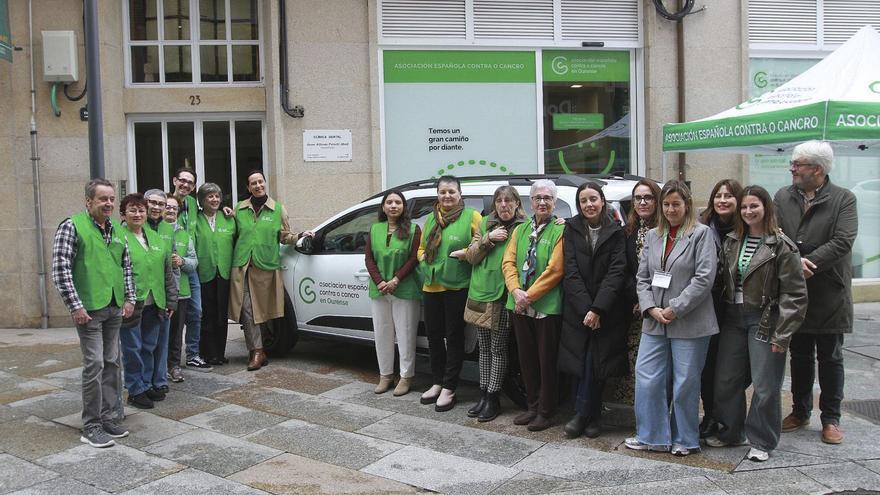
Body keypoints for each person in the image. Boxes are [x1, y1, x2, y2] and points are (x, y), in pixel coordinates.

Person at [707, 185, 807, 462]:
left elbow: (795, 295)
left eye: (754, 206)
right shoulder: (731, 241)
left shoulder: (782, 246)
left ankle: (762, 440)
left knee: (765, 385)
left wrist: (782, 334)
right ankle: (730, 432)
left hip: (765, 321)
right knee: (726, 381)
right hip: (732, 318)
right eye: (745, 207)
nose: (749, 211)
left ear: (766, 208)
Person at [625, 180, 718, 456]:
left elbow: (704, 278)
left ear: (686, 205)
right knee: (647, 378)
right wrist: (650, 308)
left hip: (690, 321)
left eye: (676, 204)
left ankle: (685, 439)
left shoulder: (701, 235)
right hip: (654, 320)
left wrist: (675, 308)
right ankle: (650, 436)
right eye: (666, 204)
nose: (670, 209)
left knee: (685, 382)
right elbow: (642, 278)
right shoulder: (654, 235)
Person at [775, 140, 858, 445]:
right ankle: (800, 410)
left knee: (830, 357)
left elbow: (843, 240)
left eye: (798, 164)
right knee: (798, 355)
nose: (792, 168)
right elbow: (776, 234)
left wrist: (811, 261)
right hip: (795, 292)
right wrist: (795, 263)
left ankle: (831, 418)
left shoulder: (844, 199)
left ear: (817, 169)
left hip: (829, 292)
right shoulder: (783, 196)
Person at [51, 179, 136, 448]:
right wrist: (75, 305)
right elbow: (60, 269)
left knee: (112, 361)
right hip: (88, 309)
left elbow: (126, 266)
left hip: (113, 306)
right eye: (103, 199)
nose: (109, 204)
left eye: (111, 199)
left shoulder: (117, 231)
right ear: (88, 201)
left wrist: (130, 297)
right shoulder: (72, 226)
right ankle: (91, 425)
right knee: (95, 364)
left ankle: (109, 417)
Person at [559, 182, 628, 439]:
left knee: (596, 362)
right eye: (584, 200)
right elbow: (571, 270)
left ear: (602, 201)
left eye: (593, 199)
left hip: (606, 311)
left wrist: (598, 309)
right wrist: (586, 309)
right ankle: (591, 415)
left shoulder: (616, 232)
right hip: (578, 310)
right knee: (582, 360)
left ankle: (584, 414)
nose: (589, 204)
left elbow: (617, 272)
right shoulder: (571, 229)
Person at [501, 179, 565, 432]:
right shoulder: (520, 229)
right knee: (526, 359)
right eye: (538, 198)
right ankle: (532, 406)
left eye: (547, 198)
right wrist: (516, 291)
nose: (542, 202)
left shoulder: (561, 230)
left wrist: (529, 296)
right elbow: (508, 262)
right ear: (530, 202)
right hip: (518, 304)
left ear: (554, 202)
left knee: (546, 360)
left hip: (546, 307)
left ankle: (546, 411)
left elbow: (556, 270)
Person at [229, 170, 308, 371]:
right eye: (253, 183)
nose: (258, 186)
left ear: (265, 183)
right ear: (248, 188)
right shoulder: (240, 209)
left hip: (265, 267)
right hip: (243, 266)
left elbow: (284, 236)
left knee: (261, 312)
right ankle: (256, 350)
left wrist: (300, 235)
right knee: (246, 309)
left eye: (260, 181)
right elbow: (233, 234)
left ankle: (261, 349)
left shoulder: (277, 209)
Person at [418, 176, 482, 412]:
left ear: (460, 194)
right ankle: (436, 381)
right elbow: (422, 248)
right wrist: (422, 260)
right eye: (443, 192)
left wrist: (464, 253)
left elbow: (482, 245)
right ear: (437, 194)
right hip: (431, 285)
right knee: (434, 337)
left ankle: (449, 387)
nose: (447, 196)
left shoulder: (472, 216)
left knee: (454, 337)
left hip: (457, 286)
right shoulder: (430, 219)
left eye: (452, 192)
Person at [463, 185, 526, 422]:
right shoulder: (485, 225)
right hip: (480, 292)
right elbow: (471, 256)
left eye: (509, 201)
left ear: (517, 204)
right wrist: (488, 238)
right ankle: (483, 394)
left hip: (503, 295)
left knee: (498, 349)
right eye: (499, 201)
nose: (504, 205)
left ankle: (493, 397)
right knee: (484, 348)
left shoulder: (523, 227)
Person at [118, 193, 178, 409]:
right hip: (132, 303)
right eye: (132, 210)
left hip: (156, 302)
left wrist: (172, 300)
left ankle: (146, 383)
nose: (138, 214)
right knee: (132, 347)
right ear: (123, 214)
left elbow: (167, 271)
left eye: (141, 210)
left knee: (149, 346)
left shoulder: (153, 237)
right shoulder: (118, 237)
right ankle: (135, 389)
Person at [697, 178, 743, 439]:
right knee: (709, 366)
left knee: (732, 370)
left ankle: (730, 418)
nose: (722, 200)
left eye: (728, 196)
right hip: (709, 305)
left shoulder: (748, 228)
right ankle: (711, 416)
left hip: (737, 308)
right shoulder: (703, 227)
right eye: (718, 195)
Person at [365, 190, 422, 396]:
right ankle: (385, 375)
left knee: (406, 334)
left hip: (404, 288)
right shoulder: (374, 229)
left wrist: (396, 279)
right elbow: (369, 259)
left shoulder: (414, 230)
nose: (393, 205)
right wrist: (380, 281)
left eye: (398, 202)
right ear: (383, 207)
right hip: (379, 290)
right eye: (389, 202)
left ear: (403, 207)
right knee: (382, 333)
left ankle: (406, 376)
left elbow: (414, 258)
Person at [614, 179, 662, 405]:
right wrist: (637, 298)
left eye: (648, 197)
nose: (642, 202)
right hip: (634, 310)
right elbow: (621, 269)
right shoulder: (627, 232)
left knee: (658, 369)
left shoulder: (666, 229)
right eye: (638, 198)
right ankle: (639, 417)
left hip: (662, 307)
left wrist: (649, 300)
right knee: (637, 364)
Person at [172, 168, 212, 371]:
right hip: (171, 268)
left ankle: (193, 355)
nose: (185, 185)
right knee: (173, 318)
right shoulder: (165, 203)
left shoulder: (192, 204)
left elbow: (209, 210)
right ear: (174, 181)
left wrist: (224, 209)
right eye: (182, 181)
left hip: (190, 265)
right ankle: (171, 360)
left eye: (190, 183)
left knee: (196, 312)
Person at [194, 183, 236, 366]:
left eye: (217, 196)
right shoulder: (195, 220)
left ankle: (220, 353)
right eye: (210, 196)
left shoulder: (228, 218)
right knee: (207, 315)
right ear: (202, 200)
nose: (215, 199)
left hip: (224, 273)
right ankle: (206, 353)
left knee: (221, 315)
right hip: (203, 273)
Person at [164, 194, 198, 383]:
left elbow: (194, 262)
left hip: (181, 292)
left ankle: (174, 366)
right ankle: (159, 367)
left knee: (177, 333)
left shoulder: (184, 234)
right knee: (160, 333)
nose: (170, 210)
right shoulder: (153, 231)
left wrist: (182, 261)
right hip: (160, 293)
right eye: (167, 207)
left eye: (174, 208)